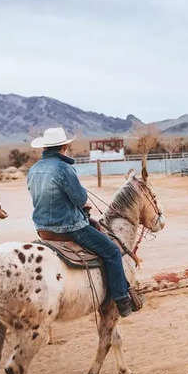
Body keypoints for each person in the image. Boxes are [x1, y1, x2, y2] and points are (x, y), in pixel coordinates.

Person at [27, 127, 134, 317]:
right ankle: (122, 299)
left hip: (43, 230)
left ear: (45, 147)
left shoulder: (34, 169)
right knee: (111, 252)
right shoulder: (64, 168)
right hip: (69, 228)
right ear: (64, 147)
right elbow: (79, 198)